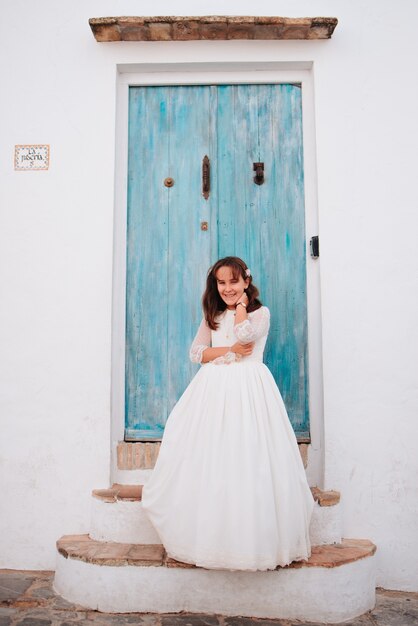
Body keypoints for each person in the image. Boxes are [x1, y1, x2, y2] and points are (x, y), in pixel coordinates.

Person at [141, 256, 314, 571]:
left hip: (250, 388)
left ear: (246, 282)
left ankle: (249, 539)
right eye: (221, 283)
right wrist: (228, 351)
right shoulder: (212, 316)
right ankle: (209, 534)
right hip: (213, 390)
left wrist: (242, 309)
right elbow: (197, 353)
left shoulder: (260, 313)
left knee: (247, 453)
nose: (227, 288)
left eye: (234, 282)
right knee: (212, 452)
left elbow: (246, 335)